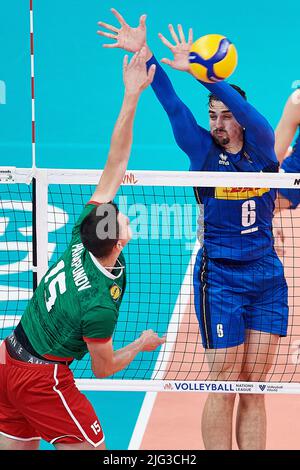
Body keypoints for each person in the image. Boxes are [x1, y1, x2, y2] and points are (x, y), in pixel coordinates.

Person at [98, 10, 288, 450]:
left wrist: (206, 76)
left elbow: (251, 115)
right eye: (213, 115)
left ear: (239, 119)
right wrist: (146, 55)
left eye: (225, 115)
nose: (218, 123)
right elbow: (172, 105)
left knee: (254, 386)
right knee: (223, 380)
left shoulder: (261, 147)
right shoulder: (202, 151)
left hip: (266, 276)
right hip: (219, 277)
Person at [0, 47, 164, 451]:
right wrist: (141, 345)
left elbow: (116, 158)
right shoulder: (99, 305)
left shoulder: (82, 235)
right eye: (120, 217)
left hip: (9, 357)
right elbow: (103, 367)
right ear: (118, 240)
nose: (121, 212)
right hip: (43, 379)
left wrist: (131, 96)